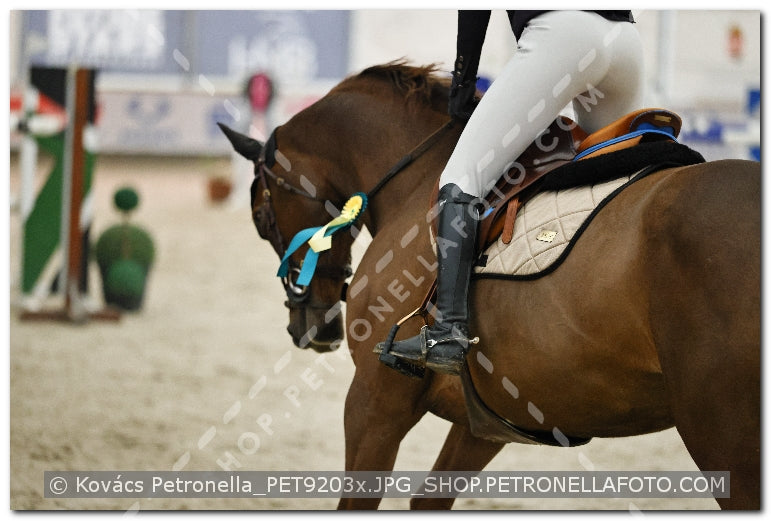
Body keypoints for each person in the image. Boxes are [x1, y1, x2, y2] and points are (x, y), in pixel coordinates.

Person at [378, 10, 644, 375]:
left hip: (563, 33)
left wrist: (462, 84)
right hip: (626, 41)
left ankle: (448, 332)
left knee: (461, 177)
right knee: (628, 183)